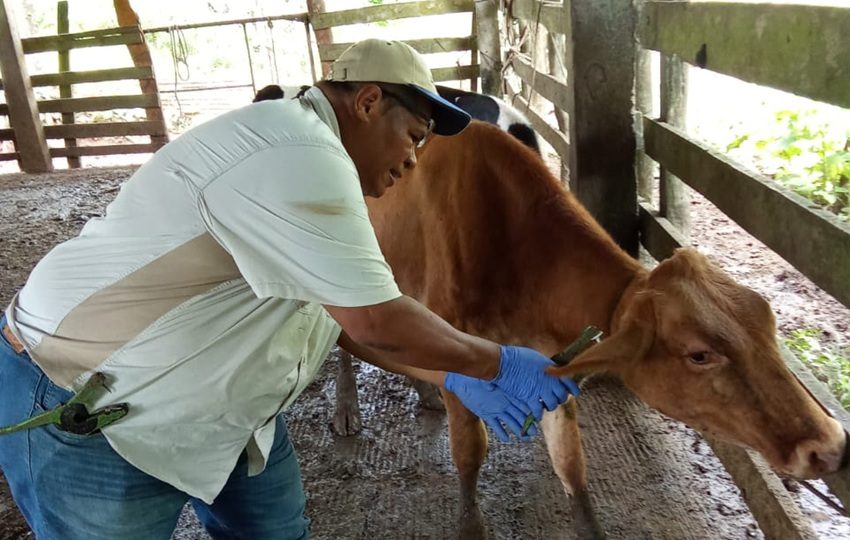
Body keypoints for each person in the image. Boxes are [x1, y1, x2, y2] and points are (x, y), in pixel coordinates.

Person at [0, 39, 579, 539]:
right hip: (92, 401)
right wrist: (495, 363)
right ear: (369, 102)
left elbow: (345, 319)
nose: (413, 162)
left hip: (225, 407)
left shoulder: (315, 162)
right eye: (414, 136)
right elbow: (375, 320)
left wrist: (451, 372)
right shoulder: (300, 152)